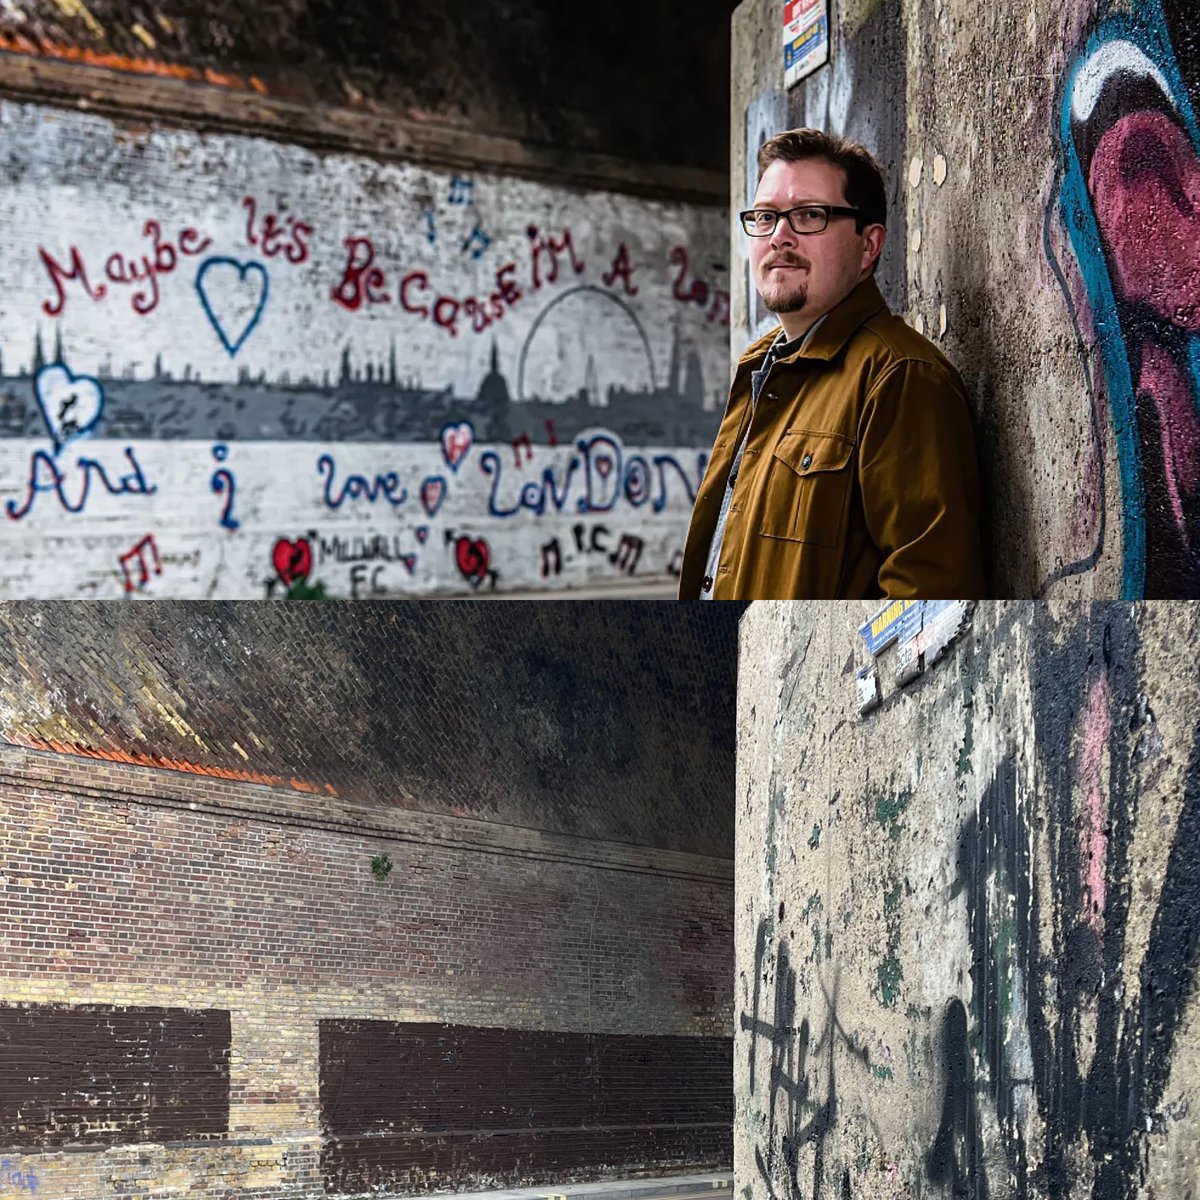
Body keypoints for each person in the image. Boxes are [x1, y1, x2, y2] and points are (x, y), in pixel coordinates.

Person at [678, 128, 984, 600]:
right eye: (765, 216)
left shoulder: (899, 376)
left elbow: (929, 593)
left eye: (809, 215)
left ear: (868, 246)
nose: (780, 236)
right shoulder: (762, 367)